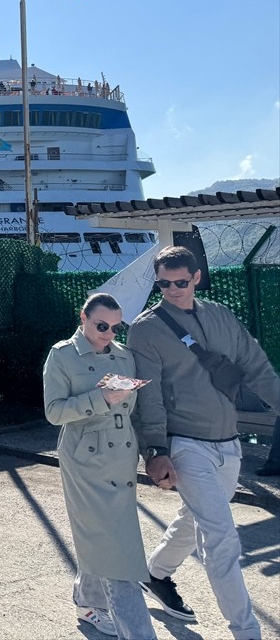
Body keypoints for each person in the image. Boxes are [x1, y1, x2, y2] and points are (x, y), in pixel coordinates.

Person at [128, 245, 280, 638]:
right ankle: (246, 630)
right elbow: (149, 395)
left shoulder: (221, 315)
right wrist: (156, 450)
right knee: (222, 536)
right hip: (184, 443)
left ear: (196, 278)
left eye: (180, 282)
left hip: (227, 442)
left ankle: (155, 573)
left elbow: (256, 366)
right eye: (163, 283)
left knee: (196, 516)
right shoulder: (145, 328)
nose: (172, 289)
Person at [43, 293, 156, 639]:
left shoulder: (124, 356)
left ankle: (88, 602)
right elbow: (54, 412)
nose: (108, 333)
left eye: (115, 326)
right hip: (85, 462)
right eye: (101, 325)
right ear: (84, 318)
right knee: (118, 551)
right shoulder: (62, 355)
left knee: (102, 538)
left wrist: (151, 451)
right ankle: (138, 633)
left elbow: (136, 411)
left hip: (122, 459)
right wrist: (100, 399)